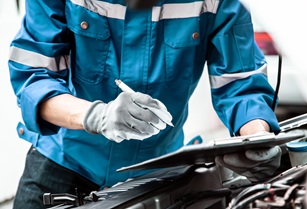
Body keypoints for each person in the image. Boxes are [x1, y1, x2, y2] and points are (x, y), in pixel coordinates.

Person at [8, 0, 281, 208]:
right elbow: (33, 79)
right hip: (63, 165)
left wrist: (255, 137)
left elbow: (240, 81)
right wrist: (95, 116)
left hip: (159, 174)